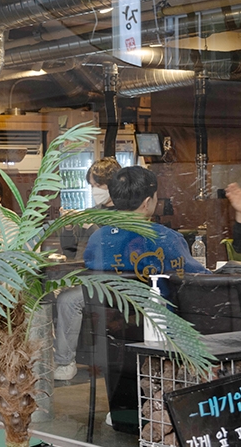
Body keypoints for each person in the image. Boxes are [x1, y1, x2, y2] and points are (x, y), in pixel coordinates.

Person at [54, 157, 121, 381]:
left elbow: (110, 251)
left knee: (67, 300)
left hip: (112, 282)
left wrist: (90, 225)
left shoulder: (126, 213)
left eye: (98, 185)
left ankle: (65, 362)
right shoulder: (93, 212)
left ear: (113, 184)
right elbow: (70, 250)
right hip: (87, 278)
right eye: (91, 185)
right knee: (51, 295)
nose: (94, 190)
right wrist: (68, 227)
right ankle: (55, 356)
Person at [84, 166, 210, 278]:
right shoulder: (166, 239)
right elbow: (198, 279)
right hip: (156, 298)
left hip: (109, 298)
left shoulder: (97, 238)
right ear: (147, 202)